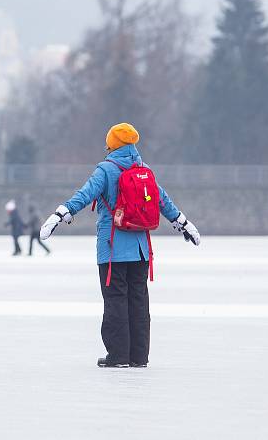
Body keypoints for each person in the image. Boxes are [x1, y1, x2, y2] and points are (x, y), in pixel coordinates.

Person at [39, 123, 200, 368]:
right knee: (138, 301)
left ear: (112, 145)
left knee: (115, 300)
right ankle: (139, 356)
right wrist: (183, 223)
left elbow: (85, 194)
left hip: (112, 249)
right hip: (141, 250)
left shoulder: (106, 170)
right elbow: (162, 200)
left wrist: (60, 214)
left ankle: (118, 356)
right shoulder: (144, 169)